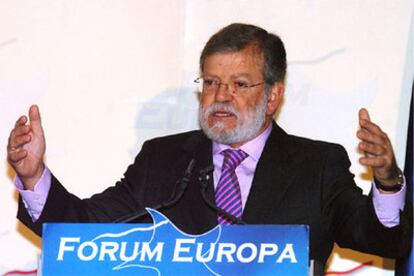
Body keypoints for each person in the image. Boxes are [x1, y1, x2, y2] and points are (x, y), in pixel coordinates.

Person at [7, 23, 412, 273]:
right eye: (212, 82)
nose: (221, 96)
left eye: (239, 84)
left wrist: (388, 180)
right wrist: (32, 176)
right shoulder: (163, 160)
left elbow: (383, 241)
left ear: (272, 96)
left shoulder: (317, 165)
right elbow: (84, 229)